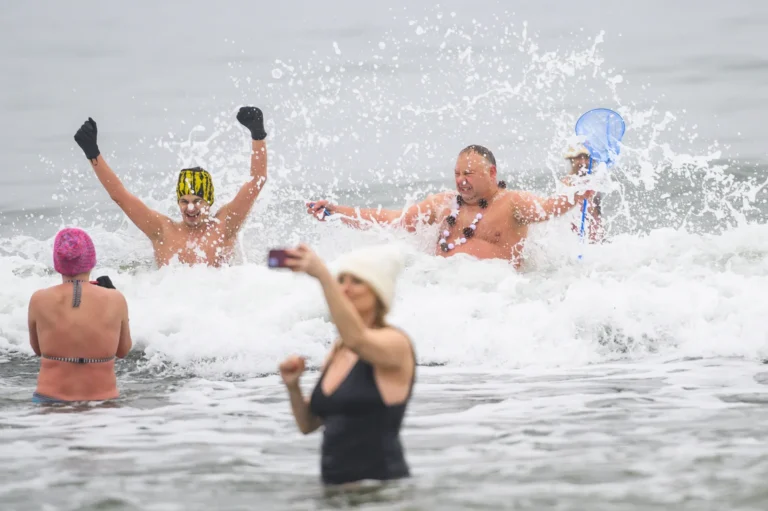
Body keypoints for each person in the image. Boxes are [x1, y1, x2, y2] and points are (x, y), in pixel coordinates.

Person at [306, 145, 596, 268]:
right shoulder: (443, 204)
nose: (461, 180)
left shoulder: (512, 203)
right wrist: (338, 211)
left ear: (491, 173)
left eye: (468, 173)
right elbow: (395, 221)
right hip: (446, 298)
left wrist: (576, 192)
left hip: (497, 300)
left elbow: (549, 207)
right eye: (457, 173)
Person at [277, 244, 416, 487]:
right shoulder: (339, 348)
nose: (345, 289)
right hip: (335, 493)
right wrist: (293, 387)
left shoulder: (396, 343)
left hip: (382, 493)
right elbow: (308, 425)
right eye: (341, 280)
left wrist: (323, 275)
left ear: (378, 292)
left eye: (357, 281)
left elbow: (358, 339)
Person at [73, 106, 269, 267]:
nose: (190, 207)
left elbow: (257, 181)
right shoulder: (163, 231)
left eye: (197, 201)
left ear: (209, 201)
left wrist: (257, 135)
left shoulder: (224, 226)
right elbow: (120, 196)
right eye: (184, 201)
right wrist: (93, 154)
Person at [27, 228, 132, 403]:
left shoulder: (39, 299)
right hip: (103, 403)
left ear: (57, 262)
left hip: (50, 400)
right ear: (91, 260)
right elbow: (123, 350)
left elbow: (39, 350)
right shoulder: (115, 298)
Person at [563, 143, 605, 242]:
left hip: (595, 238)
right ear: (572, 160)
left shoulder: (595, 183)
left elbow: (597, 214)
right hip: (573, 240)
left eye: (587, 157)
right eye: (579, 158)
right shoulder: (565, 185)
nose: (583, 162)